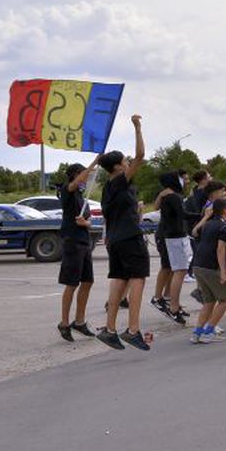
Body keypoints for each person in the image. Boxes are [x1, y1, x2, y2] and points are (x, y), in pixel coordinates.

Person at [95, 115, 150, 351]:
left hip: (115, 240)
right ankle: (133, 329)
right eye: (124, 160)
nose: (128, 162)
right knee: (138, 279)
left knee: (119, 281)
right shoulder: (118, 181)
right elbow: (140, 156)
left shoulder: (108, 188)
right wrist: (137, 128)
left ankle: (109, 329)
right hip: (129, 239)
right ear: (117, 166)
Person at [56, 156, 100, 341]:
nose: (86, 180)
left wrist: (86, 223)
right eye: (83, 175)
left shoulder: (83, 199)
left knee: (87, 282)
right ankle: (64, 323)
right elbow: (76, 182)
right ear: (75, 176)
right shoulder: (68, 192)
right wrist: (95, 162)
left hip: (84, 242)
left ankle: (79, 321)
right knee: (71, 284)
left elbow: (88, 222)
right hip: (72, 242)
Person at [190, 198, 226, 344]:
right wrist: (223, 272)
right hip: (211, 267)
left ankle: (197, 333)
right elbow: (220, 249)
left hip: (197, 265)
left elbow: (195, 232)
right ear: (224, 210)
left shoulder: (208, 224)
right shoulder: (223, 226)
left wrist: (205, 217)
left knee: (209, 301)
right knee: (225, 299)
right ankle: (209, 331)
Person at [156, 171, 190, 323]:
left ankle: (171, 300)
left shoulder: (173, 195)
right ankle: (167, 302)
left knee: (175, 269)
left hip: (175, 235)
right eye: (182, 178)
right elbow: (183, 214)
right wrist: (204, 215)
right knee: (175, 269)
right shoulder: (169, 196)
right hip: (171, 236)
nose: (184, 181)